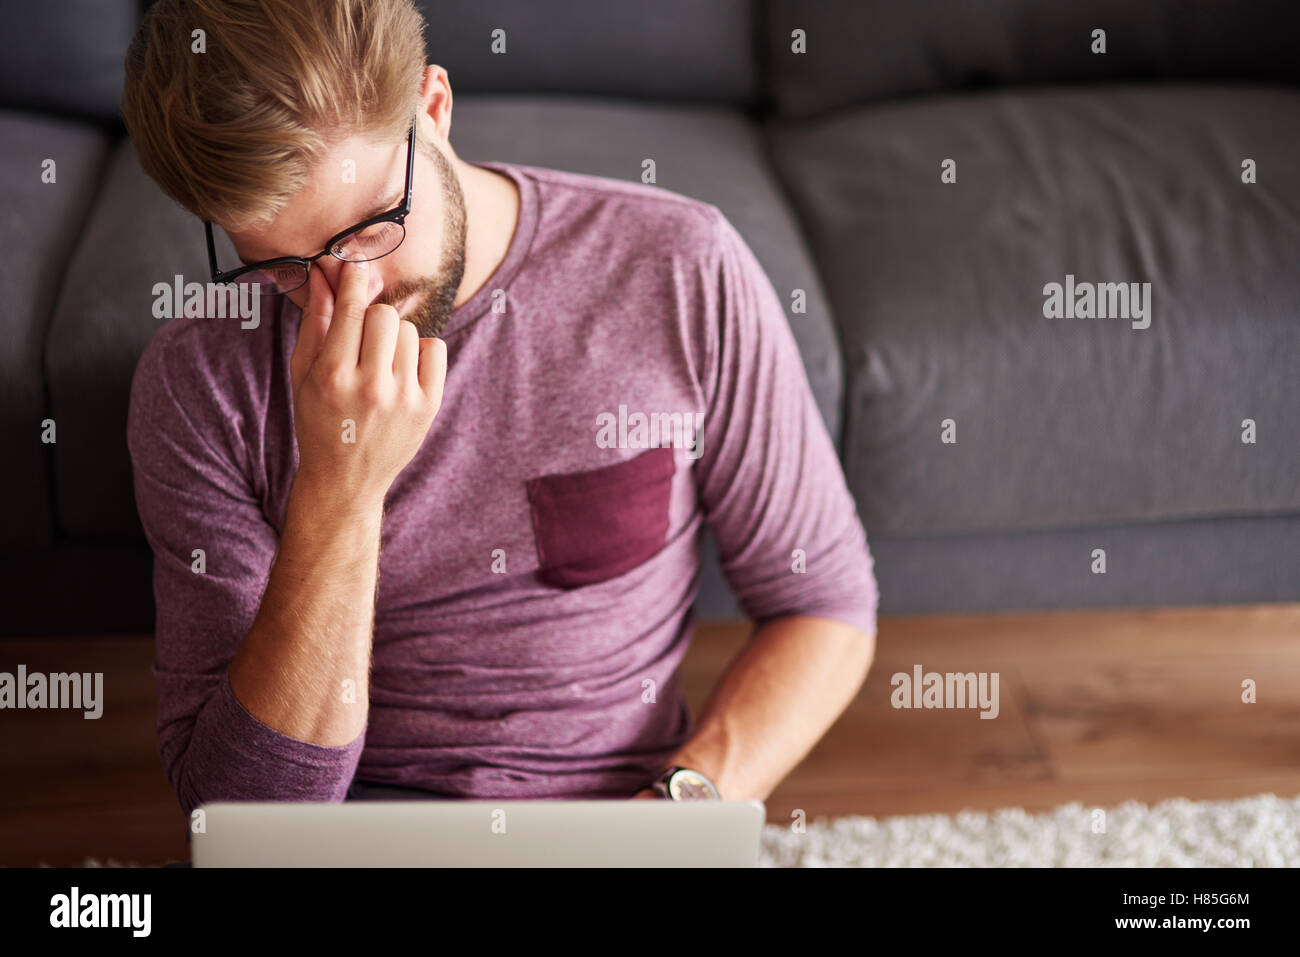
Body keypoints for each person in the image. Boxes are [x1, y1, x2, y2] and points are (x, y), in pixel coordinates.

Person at [121, 0, 878, 821]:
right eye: (288, 270)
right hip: (361, 830)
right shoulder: (196, 382)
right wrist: (339, 493)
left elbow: (824, 607)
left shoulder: (678, 269)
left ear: (433, 107)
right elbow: (247, 812)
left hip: (618, 816)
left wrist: (680, 808)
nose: (352, 300)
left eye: (373, 225)